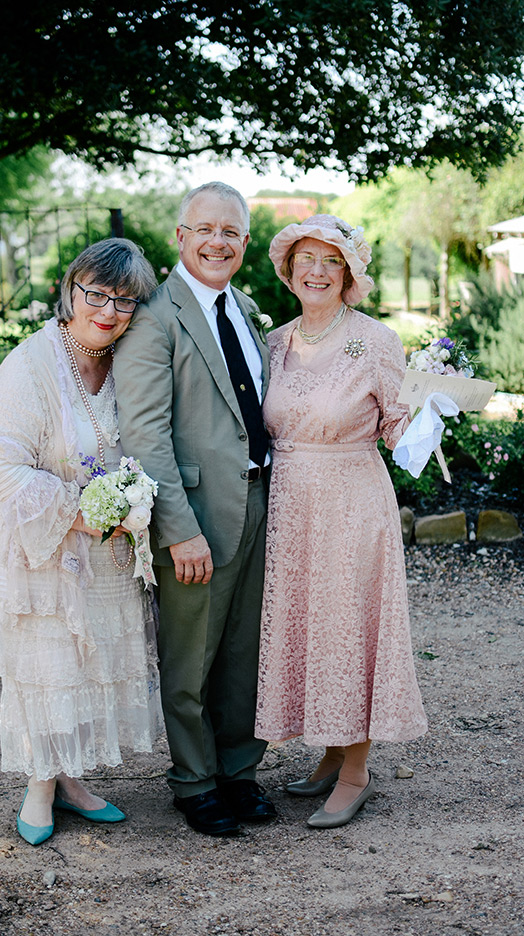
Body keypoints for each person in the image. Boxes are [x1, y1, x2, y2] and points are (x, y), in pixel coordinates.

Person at [0, 238, 163, 845]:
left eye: (125, 300)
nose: (108, 310)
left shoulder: (129, 360)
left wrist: (126, 503)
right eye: (96, 294)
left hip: (105, 547)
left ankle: (72, 782)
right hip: (40, 543)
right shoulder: (32, 362)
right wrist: (75, 511)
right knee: (48, 665)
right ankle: (39, 787)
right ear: (71, 291)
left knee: (88, 665)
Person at [254, 215, 427, 828]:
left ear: (349, 272)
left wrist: (428, 411)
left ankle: (356, 769)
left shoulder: (375, 339)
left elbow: (397, 423)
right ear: (289, 268)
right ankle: (329, 752)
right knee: (311, 627)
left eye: (331, 260)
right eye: (307, 257)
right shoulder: (274, 343)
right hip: (291, 505)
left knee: (349, 625)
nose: (317, 270)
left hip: (353, 501)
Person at [114, 182, 276, 836]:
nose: (218, 241)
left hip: (260, 501)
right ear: (180, 236)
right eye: (205, 229)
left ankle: (238, 773)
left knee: (244, 653)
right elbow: (146, 433)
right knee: (191, 657)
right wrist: (178, 531)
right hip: (195, 513)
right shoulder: (156, 317)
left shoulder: (243, 307)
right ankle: (194, 782)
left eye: (231, 232)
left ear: (244, 242)